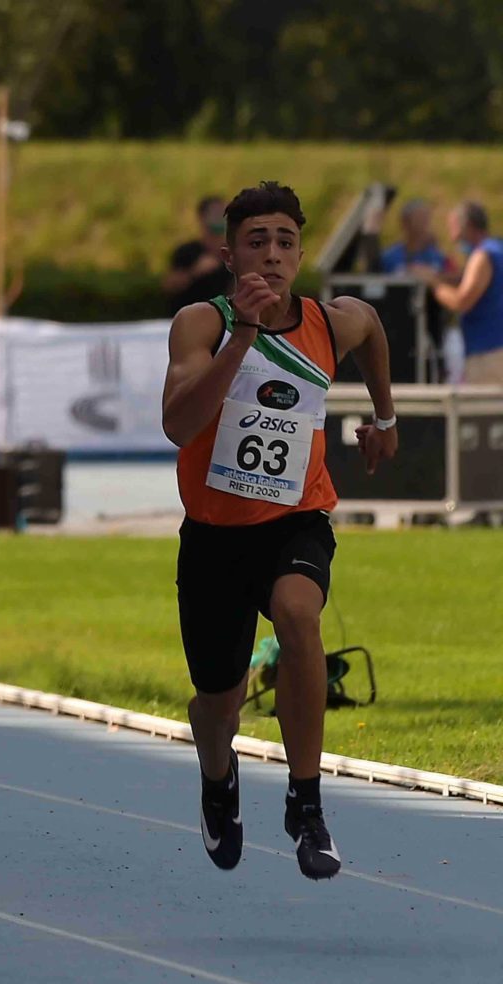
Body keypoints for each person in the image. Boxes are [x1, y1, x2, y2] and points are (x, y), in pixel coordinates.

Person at [162, 181, 397, 882]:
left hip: (297, 517)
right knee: (218, 704)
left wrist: (384, 419)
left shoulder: (329, 321)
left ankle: (306, 802)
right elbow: (179, 425)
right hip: (214, 535)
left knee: (299, 615)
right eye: (256, 241)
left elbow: (372, 327)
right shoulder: (200, 325)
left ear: (299, 254)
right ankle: (218, 779)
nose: (271, 254)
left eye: (285, 242)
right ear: (230, 256)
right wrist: (242, 334)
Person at [410, 201, 503, 386]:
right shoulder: (496, 249)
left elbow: (461, 302)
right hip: (492, 351)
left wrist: (433, 283)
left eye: (454, 228)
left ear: (468, 226)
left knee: (484, 405)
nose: (453, 238)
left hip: (488, 354)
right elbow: (466, 278)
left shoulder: (482, 256)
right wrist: (439, 275)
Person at [164, 196, 234, 314]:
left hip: (222, 319)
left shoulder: (234, 252)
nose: (221, 218)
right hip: (187, 317)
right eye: (216, 213)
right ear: (202, 217)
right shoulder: (187, 251)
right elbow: (168, 286)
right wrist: (194, 272)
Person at [378, 199, 452, 275]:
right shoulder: (388, 258)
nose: (425, 224)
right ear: (405, 223)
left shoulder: (439, 257)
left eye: (427, 218)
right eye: (419, 218)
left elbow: (453, 277)